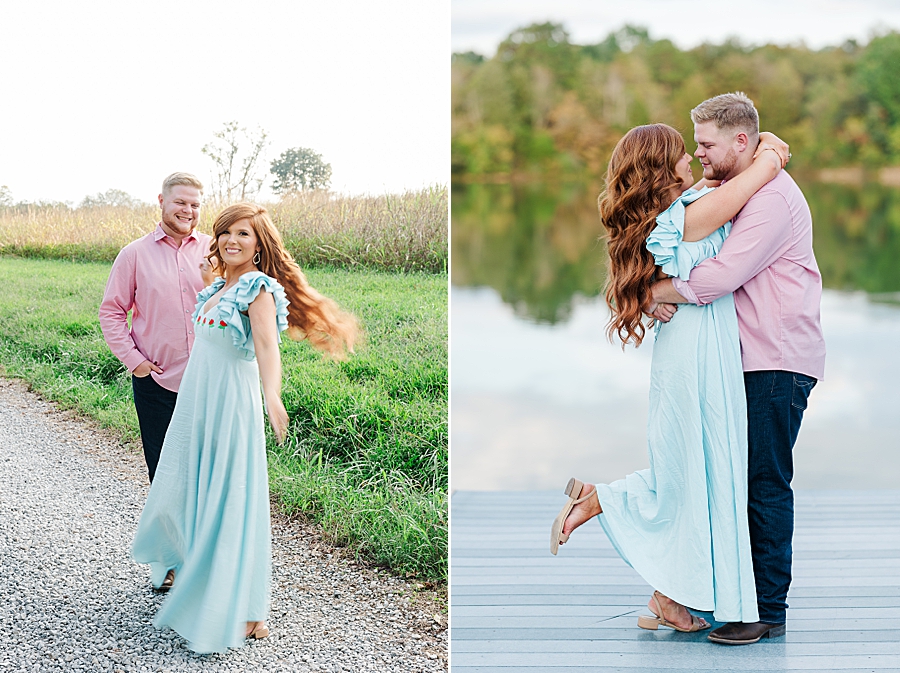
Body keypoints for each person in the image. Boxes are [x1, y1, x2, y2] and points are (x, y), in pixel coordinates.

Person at [550, 116, 792, 634]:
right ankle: (612, 510)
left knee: (698, 470)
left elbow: (723, 188)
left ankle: (670, 590)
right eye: (684, 153)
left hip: (703, 347)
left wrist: (763, 146)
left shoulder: (683, 208)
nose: (693, 159)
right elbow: (745, 190)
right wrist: (771, 155)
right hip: (696, 352)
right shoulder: (685, 217)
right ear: (662, 170)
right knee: (699, 471)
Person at [131, 203, 358, 653]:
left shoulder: (259, 289)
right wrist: (208, 274)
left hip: (231, 405)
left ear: (259, 245)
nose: (232, 241)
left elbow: (267, 348)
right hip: (199, 405)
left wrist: (272, 394)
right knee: (188, 490)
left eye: (243, 234)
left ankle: (249, 612)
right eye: (225, 233)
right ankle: (208, 587)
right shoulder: (217, 287)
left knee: (230, 498)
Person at [649, 92, 825, 645]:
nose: (699, 153)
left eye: (706, 144)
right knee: (738, 481)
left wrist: (659, 290)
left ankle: (766, 611)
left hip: (775, 360)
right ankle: (732, 597)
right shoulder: (740, 185)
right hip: (748, 360)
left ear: (742, 142)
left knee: (763, 485)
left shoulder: (771, 199)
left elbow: (725, 274)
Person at [99, 172, 212, 484]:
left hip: (207, 379)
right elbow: (111, 312)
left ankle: (203, 533)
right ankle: (168, 533)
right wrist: (136, 364)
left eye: (195, 204)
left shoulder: (213, 250)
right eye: (180, 202)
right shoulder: (133, 254)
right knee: (164, 473)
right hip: (157, 382)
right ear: (162, 201)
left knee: (208, 471)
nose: (188, 210)